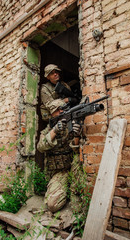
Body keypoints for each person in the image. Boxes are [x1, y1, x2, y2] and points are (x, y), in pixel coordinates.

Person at [37, 64, 82, 213]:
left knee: (78, 207)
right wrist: (55, 130)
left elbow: (77, 151)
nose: (61, 111)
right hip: (59, 171)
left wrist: (76, 135)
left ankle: (73, 191)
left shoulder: (72, 123)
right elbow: (41, 146)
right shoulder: (49, 129)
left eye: (57, 72)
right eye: (57, 110)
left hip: (74, 169)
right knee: (52, 205)